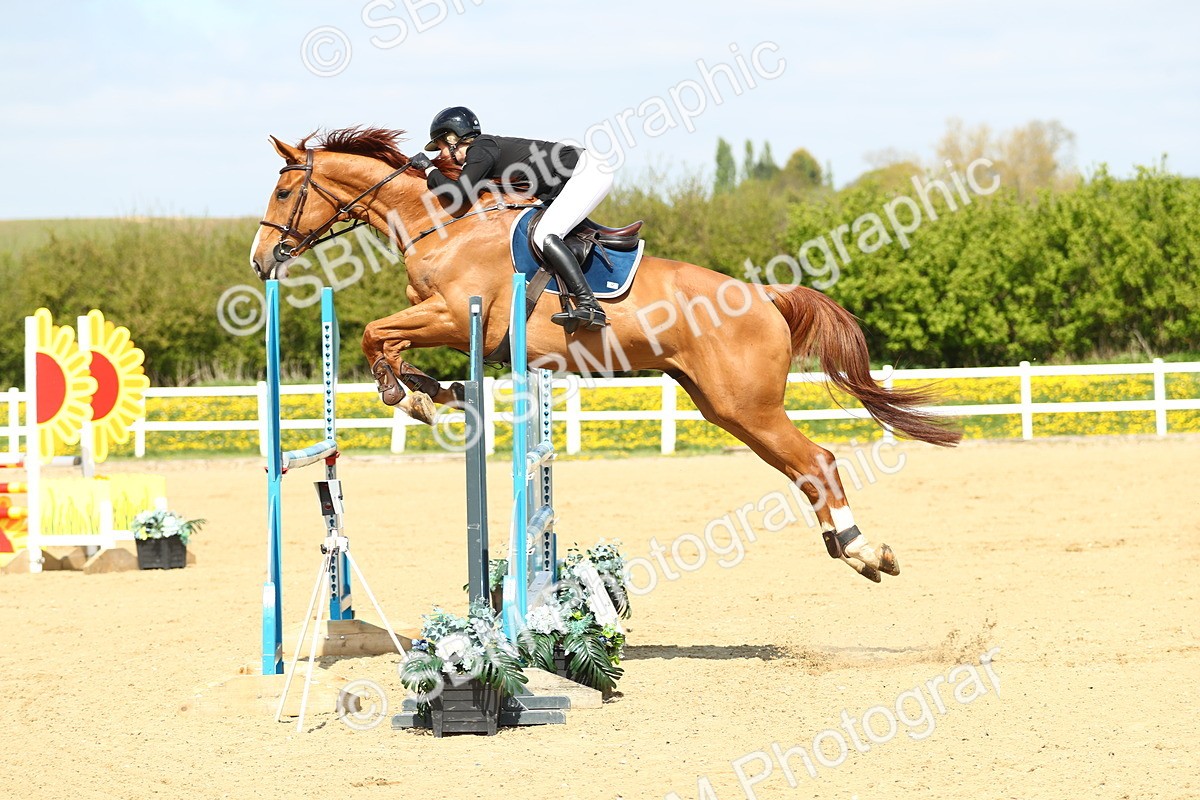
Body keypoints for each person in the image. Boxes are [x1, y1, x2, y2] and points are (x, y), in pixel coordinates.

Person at [408, 106, 611, 331]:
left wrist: (428, 170)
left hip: (587, 172)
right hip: (570, 179)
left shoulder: (480, 150)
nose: (441, 156)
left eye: (441, 147)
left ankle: (590, 304)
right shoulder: (482, 153)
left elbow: (458, 194)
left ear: (453, 138)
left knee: (545, 234)